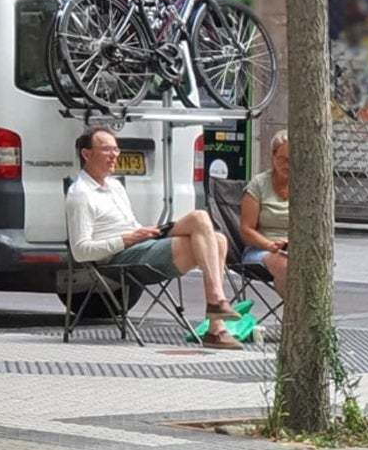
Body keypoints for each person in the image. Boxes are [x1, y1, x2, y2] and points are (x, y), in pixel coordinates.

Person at [66, 127, 243, 350]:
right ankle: (216, 325)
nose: (114, 155)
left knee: (206, 224)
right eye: (106, 149)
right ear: (86, 154)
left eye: (116, 149)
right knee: (214, 242)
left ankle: (216, 307)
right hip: (119, 258)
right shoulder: (80, 193)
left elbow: (130, 226)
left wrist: (141, 232)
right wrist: (128, 239)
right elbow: (80, 251)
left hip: (140, 242)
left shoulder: (115, 186)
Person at [239, 129, 289, 297]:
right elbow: (247, 229)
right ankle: (293, 317)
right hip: (261, 249)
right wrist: (270, 245)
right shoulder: (259, 185)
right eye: (282, 159)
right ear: (273, 157)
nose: (287, 165)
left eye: (292, 160)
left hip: (295, 248)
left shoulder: (305, 186)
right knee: (285, 265)